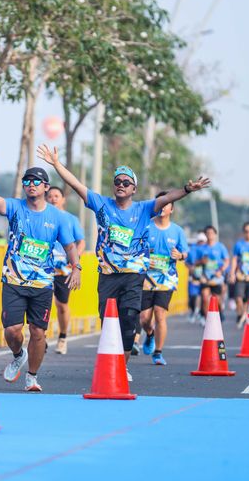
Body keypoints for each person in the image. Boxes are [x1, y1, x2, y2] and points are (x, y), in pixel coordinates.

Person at [36, 143, 210, 378]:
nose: (120, 185)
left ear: (133, 188)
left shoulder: (144, 209)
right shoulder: (101, 204)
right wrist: (57, 164)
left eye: (126, 182)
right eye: (117, 181)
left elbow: (168, 197)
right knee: (108, 322)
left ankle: (122, 366)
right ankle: (113, 362)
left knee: (129, 320)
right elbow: (76, 184)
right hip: (108, 276)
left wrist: (188, 189)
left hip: (133, 276)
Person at [0, 158, 81, 392]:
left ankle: (32, 377)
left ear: (46, 187)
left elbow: (70, 246)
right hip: (14, 280)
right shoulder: (16, 207)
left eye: (36, 181)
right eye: (27, 181)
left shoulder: (57, 217)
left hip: (42, 283)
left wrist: (77, 267)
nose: (31, 185)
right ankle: (18, 355)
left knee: (38, 332)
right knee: (12, 330)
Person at [140, 191, 188, 366]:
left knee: (160, 314)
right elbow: (136, 247)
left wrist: (179, 255)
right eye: (160, 203)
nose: (162, 207)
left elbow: (185, 253)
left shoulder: (177, 231)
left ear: (171, 209)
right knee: (144, 318)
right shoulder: (146, 226)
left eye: (166, 204)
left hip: (167, 278)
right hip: (146, 279)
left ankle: (158, 353)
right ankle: (150, 334)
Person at [46, 186, 85, 355]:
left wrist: (75, 260)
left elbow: (81, 242)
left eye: (56, 196)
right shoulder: (42, 216)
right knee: (43, 302)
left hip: (63, 268)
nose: (53, 199)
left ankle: (62, 337)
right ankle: (40, 336)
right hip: (43, 266)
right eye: (50, 196)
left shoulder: (70, 219)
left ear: (63, 200)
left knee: (61, 305)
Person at [196, 225, 229, 317]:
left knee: (217, 299)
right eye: (208, 233)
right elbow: (195, 263)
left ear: (215, 234)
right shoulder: (201, 248)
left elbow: (227, 261)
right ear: (205, 235)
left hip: (217, 277)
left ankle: (220, 313)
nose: (210, 235)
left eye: (211, 233)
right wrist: (201, 261)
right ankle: (207, 319)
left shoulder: (220, 247)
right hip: (205, 277)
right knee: (205, 297)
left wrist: (221, 271)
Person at [186, 232, 207, 322]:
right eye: (200, 241)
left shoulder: (207, 249)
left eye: (203, 241)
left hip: (205, 276)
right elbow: (187, 262)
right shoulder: (192, 249)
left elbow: (206, 261)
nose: (201, 243)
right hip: (193, 276)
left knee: (203, 296)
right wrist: (191, 267)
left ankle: (202, 314)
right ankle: (194, 311)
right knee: (193, 295)